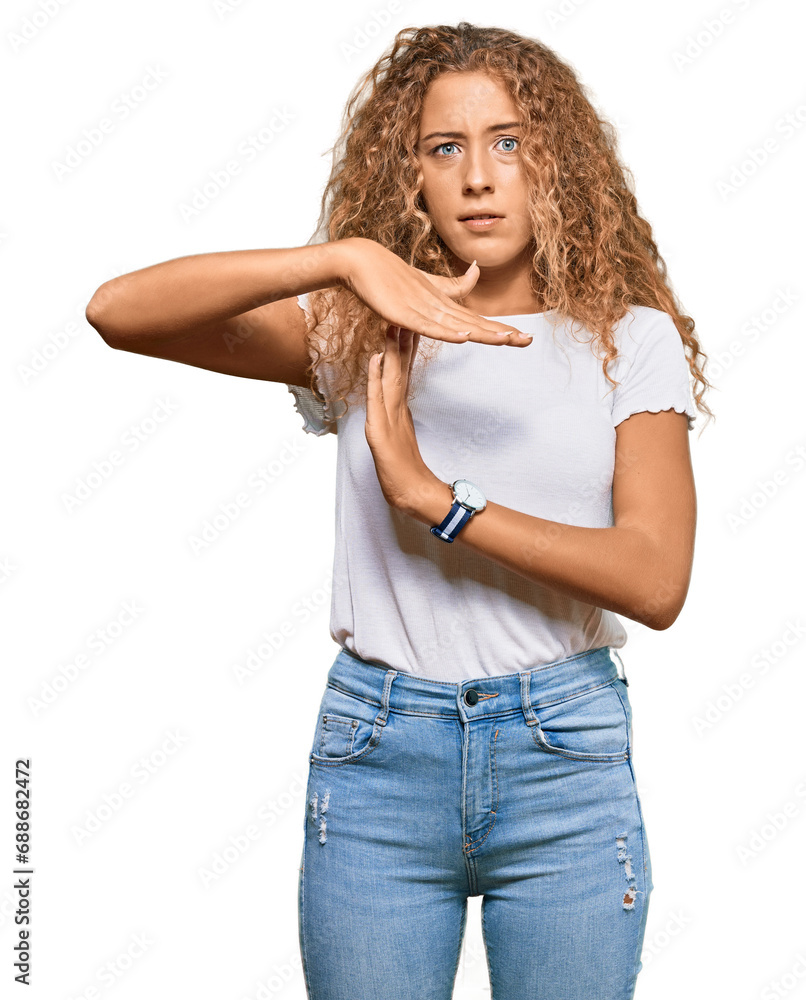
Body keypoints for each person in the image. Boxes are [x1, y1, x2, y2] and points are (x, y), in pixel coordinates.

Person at [85, 21, 713, 1000]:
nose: (476, 176)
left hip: (562, 755)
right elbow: (118, 311)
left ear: (558, 160)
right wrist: (339, 262)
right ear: (409, 171)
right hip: (380, 753)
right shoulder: (355, 329)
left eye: (508, 141)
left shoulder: (625, 339)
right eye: (443, 147)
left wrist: (438, 503)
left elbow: (653, 576)